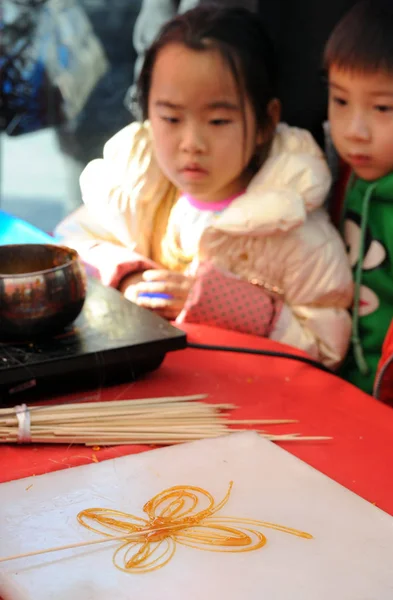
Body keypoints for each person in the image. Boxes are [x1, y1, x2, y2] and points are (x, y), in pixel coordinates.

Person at [55, 6, 353, 369]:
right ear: (146, 111)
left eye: (217, 120)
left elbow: (327, 352)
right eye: (171, 118)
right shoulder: (135, 193)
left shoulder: (297, 230)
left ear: (266, 121)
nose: (191, 142)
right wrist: (126, 275)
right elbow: (70, 247)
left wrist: (236, 308)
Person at [325, 0, 393, 392]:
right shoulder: (334, 176)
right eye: (340, 100)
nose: (355, 130)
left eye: (383, 107)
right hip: (342, 386)